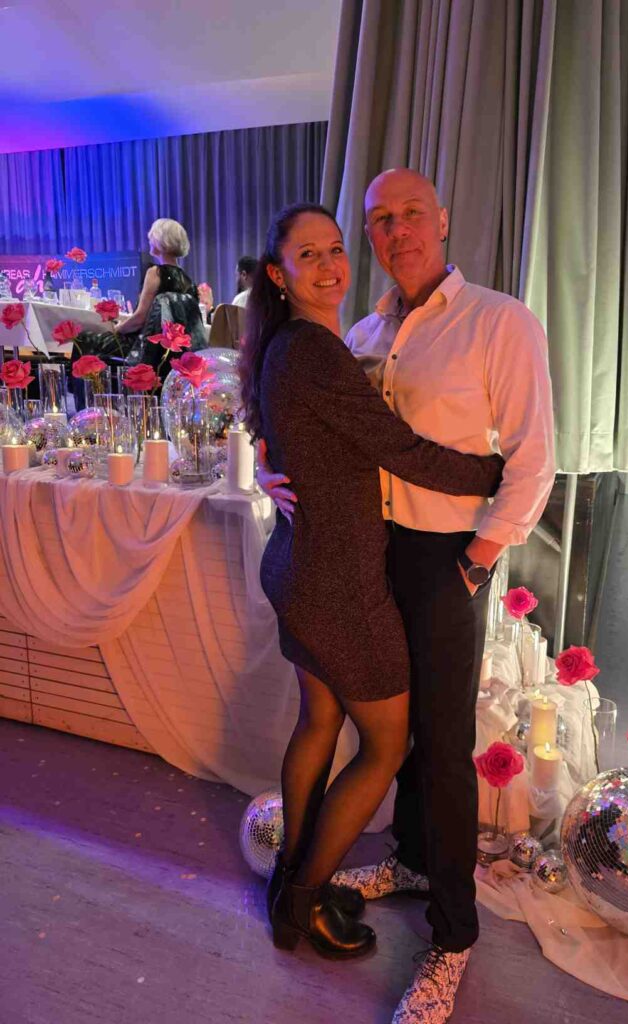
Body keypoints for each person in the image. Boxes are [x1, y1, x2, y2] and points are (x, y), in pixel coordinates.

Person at [259, 169, 555, 1024]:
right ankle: (414, 860)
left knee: (443, 744)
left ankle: (451, 938)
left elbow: (534, 457)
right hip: (368, 552)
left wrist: (479, 558)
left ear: (442, 221)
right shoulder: (361, 331)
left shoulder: (500, 320)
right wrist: (273, 471)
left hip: (444, 558)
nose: (397, 232)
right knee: (398, 734)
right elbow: (336, 431)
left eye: (412, 214)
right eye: (380, 220)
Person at [238, 202, 504, 963]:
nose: (329, 266)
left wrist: (267, 459)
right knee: (386, 745)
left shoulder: (293, 344)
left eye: (334, 249)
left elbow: (282, 431)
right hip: (337, 580)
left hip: (301, 564)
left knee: (320, 724)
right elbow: (399, 449)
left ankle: (289, 886)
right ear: (280, 274)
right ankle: (301, 901)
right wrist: (495, 473)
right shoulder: (316, 352)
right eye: (308, 255)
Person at [76, 218, 206, 371]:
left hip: (142, 348)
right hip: (169, 352)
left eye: (152, 237)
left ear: (160, 241)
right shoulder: (189, 282)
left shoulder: (156, 272)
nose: (149, 241)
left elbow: (139, 319)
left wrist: (117, 329)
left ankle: (80, 384)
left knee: (83, 339)